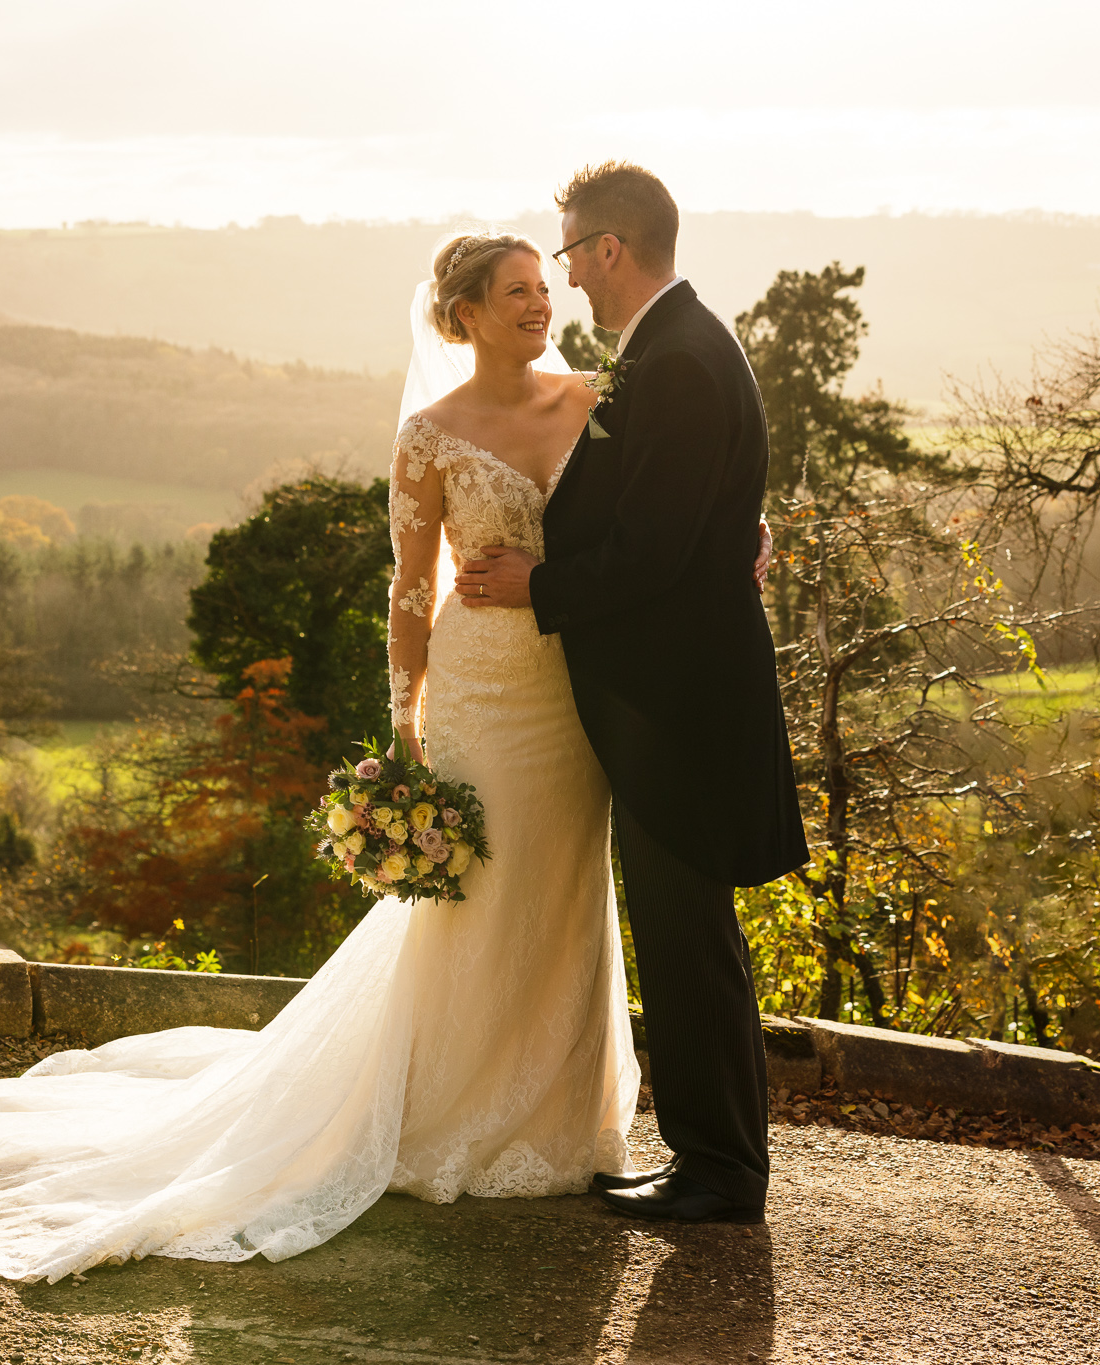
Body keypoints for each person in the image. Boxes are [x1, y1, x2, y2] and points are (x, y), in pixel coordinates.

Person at [0, 218, 691, 1286]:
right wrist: (404, 723)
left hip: (570, 693)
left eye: (545, 286)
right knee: (479, 893)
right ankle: (441, 1114)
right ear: (463, 315)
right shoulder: (431, 434)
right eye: (517, 292)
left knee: (565, 883)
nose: (542, 305)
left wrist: (736, 542)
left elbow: (659, 515)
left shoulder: (591, 399)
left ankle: (556, 1119)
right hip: (481, 693)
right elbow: (407, 588)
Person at [452, 161, 808, 1224]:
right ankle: (714, 1158)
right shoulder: (671, 349)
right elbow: (679, 512)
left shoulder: (680, 360)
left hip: (680, 712)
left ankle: (720, 1170)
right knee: (683, 936)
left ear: (608, 248)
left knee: (687, 941)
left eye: (567, 254)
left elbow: (649, 550)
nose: (565, 278)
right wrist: (729, 530)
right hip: (668, 703)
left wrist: (536, 584)